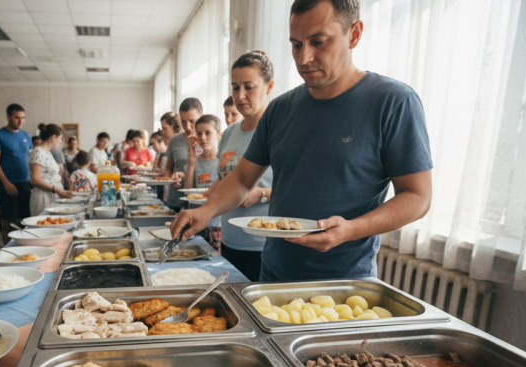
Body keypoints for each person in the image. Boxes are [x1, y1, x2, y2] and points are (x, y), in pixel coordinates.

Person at [170, 0, 433, 282]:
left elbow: (418, 196)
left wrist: (352, 229)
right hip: (273, 276)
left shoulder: (392, 102)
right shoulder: (281, 110)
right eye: (296, 45)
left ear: (354, 34)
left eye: (319, 42)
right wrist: (205, 211)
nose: (304, 58)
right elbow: (243, 178)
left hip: (343, 284)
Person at [211, 50, 276, 281]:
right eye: (235, 87)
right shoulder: (229, 133)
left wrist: (262, 194)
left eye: (249, 87)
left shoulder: (278, 131)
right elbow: (224, 177)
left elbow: (299, 188)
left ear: (268, 87)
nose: (241, 95)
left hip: (263, 244)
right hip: (230, 239)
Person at [0, 103, 33, 239]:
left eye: (23, 118)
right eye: (17, 117)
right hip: (8, 183)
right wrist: (6, 182)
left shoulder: (26, 135)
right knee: (9, 221)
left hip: (25, 183)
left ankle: (24, 249)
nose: (20, 121)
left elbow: (30, 159)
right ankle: (6, 253)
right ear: (8, 117)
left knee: (25, 220)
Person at [184, 115, 222, 250]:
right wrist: (191, 164)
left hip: (217, 222)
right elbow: (188, 191)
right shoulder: (195, 161)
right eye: (199, 134)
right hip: (197, 221)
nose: (203, 138)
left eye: (208, 133)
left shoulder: (222, 161)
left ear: (218, 135)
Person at [164, 98, 203, 211]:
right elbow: (168, 168)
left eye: (192, 121)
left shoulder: (208, 141)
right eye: (183, 122)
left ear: (201, 116)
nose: (188, 127)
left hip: (199, 200)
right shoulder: (174, 140)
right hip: (176, 198)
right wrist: (170, 180)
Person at [30, 123, 73, 215]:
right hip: (43, 197)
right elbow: (35, 179)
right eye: (60, 139)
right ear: (53, 137)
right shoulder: (38, 152)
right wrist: (56, 189)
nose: (60, 142)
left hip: (52, 195)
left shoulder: (47, 152)